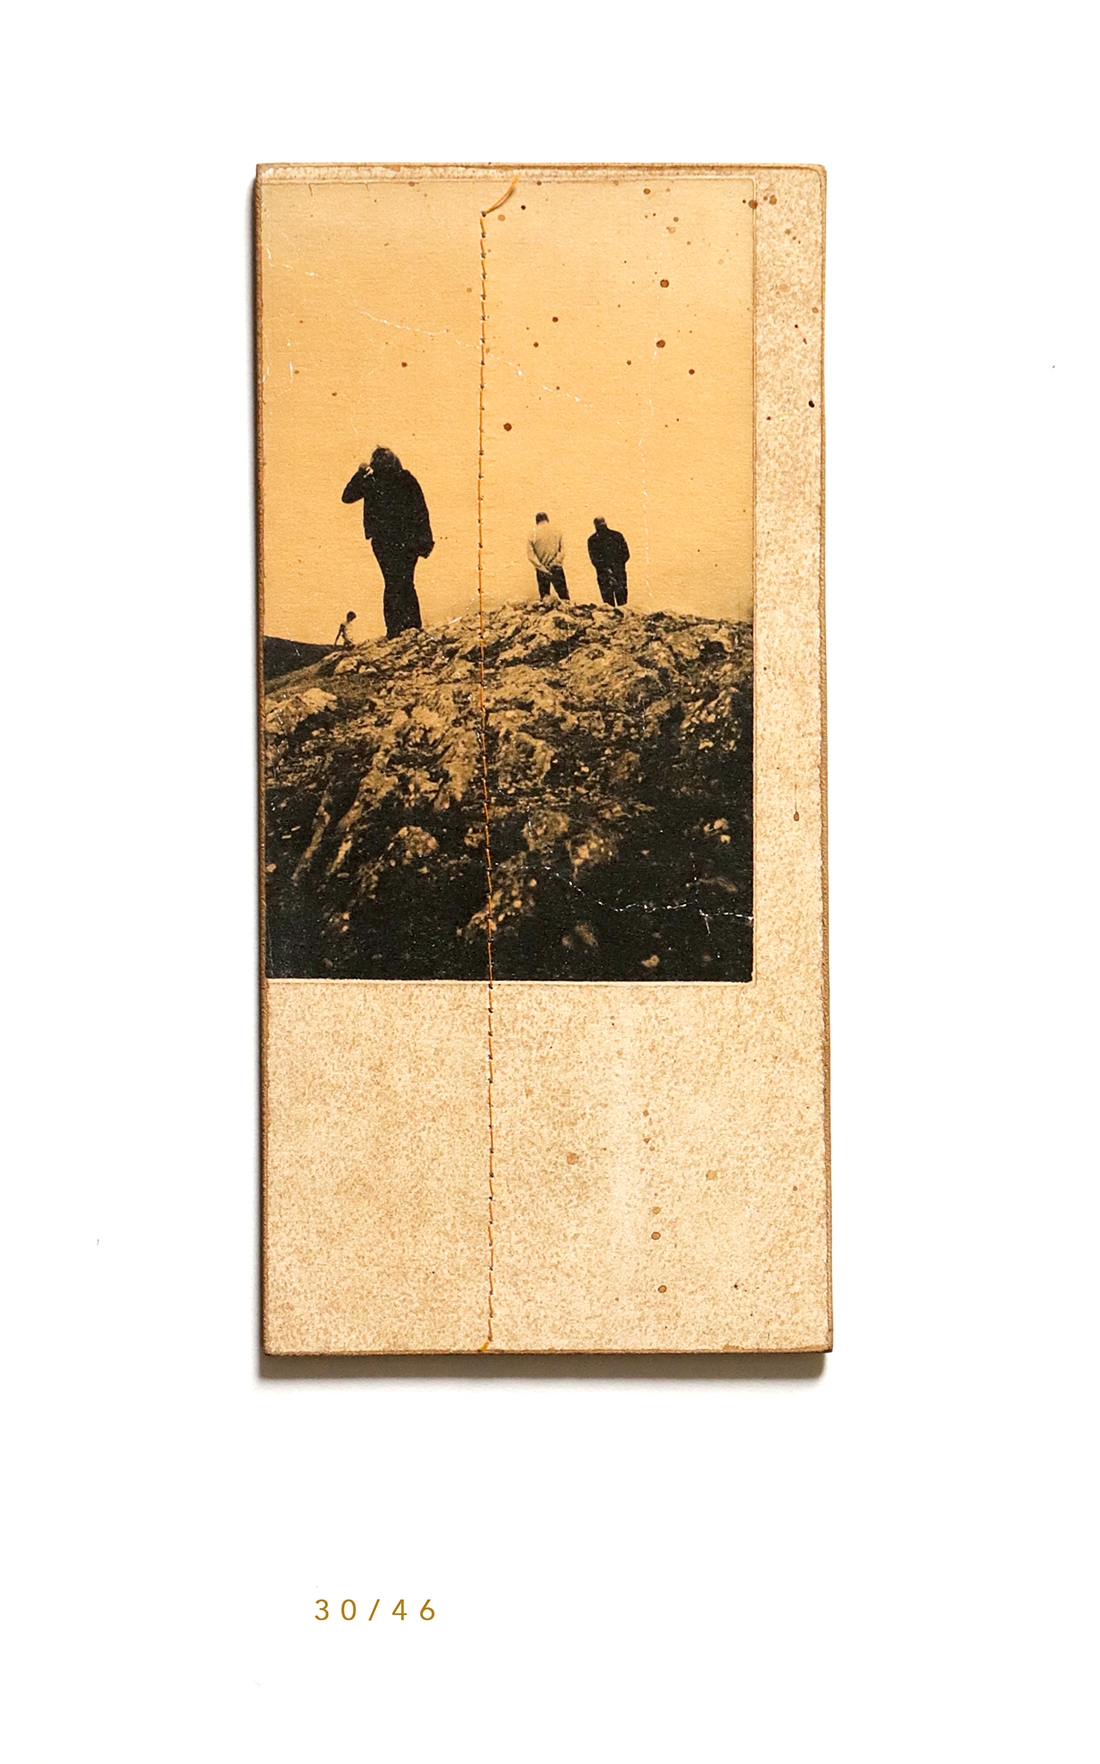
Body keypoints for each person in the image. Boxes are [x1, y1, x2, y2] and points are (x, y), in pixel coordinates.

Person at [341, 448, 434, 638]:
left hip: (389, 540)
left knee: (394, 582)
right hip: (404, 540)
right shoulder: (403, 479)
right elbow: (421, 511)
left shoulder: (375, 481)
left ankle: (396, 629)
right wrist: (425, 540)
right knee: (403, 582)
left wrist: (360, 473)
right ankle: (410, 626)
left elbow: (348, 496)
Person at [587, 517, 630, 607]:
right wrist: (617, 566)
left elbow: (595, 560)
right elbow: (626, 554)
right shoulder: (617, 536)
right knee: (622, 604)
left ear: (595, 525)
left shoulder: (592, 540)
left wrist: (606, 569)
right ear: (605, 523)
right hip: (619, 573)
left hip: (604, 575)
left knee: (609, 606)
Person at [526, 512, 569, 602]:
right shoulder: (557, 531)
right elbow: (563, 551)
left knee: (545, 599)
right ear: (547, 519)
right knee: (564, 597)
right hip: (556, 568)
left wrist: (542, 567)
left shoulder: (532, 534)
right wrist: (554, 563)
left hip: (541, 570)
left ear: (536, 521)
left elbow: (531, 556)